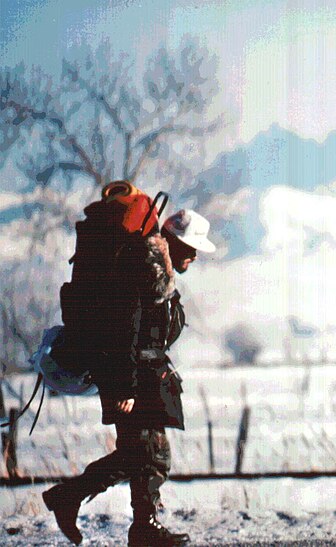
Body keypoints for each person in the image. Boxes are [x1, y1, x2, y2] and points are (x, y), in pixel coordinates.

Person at [42, 209, 216, 546]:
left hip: (143, 375)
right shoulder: (142, 267)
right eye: (191, 247)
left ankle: (141, 525)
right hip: (131, 377)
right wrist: (124, 386)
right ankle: (73, 499)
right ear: (174, 243)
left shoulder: (156, 271)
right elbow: (125, 328)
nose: (194, 255)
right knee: (145, 454)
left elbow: (157, 331)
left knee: (147, 454)